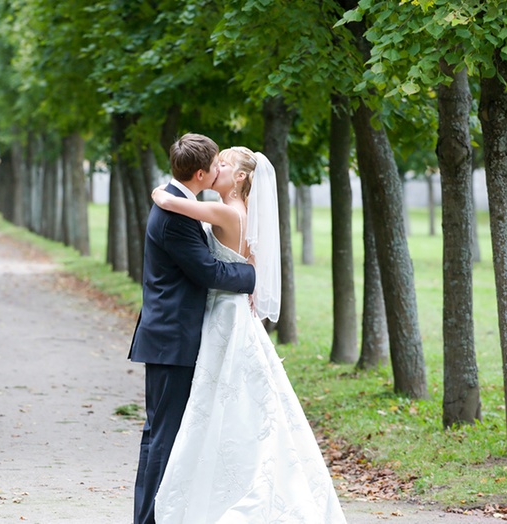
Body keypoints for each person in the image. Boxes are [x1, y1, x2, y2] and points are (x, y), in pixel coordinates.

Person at [151, 147, 348, 523]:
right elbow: (251, 265)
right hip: (233, 312)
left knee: (222, 401)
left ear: (241, 178)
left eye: (222, 165)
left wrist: (161, 193)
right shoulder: (243, 216)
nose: (215, 170)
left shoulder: (227, 212)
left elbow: (175, 204)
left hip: (224, 315)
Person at [128, 134, 257, 524]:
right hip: (171, 338)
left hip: (178, 334)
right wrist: (252, 275)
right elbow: (208, 271)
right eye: (217, 164)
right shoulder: (176, 215)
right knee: (163, 435)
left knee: (167, 432)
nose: (221, 168)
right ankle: (148, 517)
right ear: (201, 173)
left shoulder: (178, 201)